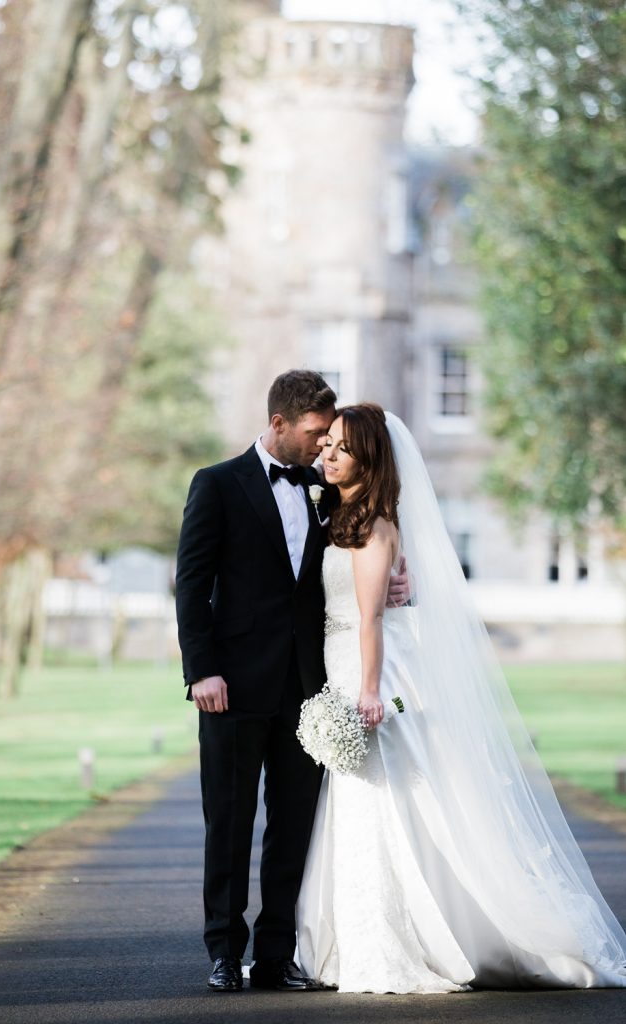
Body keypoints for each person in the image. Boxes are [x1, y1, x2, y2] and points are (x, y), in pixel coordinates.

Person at [296, 402, 626, 994]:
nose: (327, 454)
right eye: (327, 445)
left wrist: (368, 693)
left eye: (340, 447)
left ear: (368, 459)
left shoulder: (374, 525)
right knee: (366, 802)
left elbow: (370, 617)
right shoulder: (337, 514)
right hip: (341, 663)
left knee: (388, 799)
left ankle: (409, 938)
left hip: (370, 672)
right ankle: (358, 936)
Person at [175, 372, 411, 992]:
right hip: (231, 685)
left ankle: (277, 952)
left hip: (310, 689)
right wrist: (201, 669)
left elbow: (365, 543)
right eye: (313, 435)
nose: (321, 447)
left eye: (327, 437)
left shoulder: (322, 486)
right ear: (278, 423)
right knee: (228, 820)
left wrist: (399, 575)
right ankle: (225, 951)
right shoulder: (217, 485)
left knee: (295, 823)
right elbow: (191, 587)